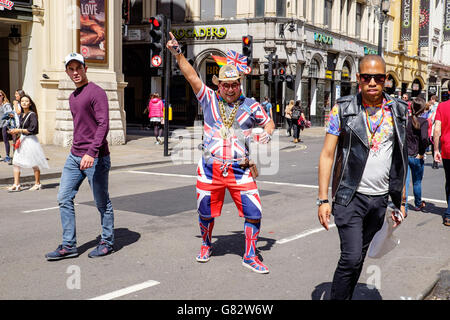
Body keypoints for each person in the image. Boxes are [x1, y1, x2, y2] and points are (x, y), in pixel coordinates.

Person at [167, 33, 275, 274]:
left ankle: (249, 255)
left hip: (240, 168)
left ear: (240, 83)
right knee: (205, 211)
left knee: (254, 211)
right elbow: (192, 75)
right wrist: (177, 53)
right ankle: (206, 244)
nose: (229, 88)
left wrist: (266, 133)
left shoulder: (252, 105)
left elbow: (269, 124)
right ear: (218, 84)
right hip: (210, 167)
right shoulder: (208, 99)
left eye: (234, 84)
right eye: (225, 84)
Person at [318, 55, 408, 300]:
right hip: (350, 197)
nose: (372, 82)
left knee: (359, 256)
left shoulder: (399, 111)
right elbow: (327, 155)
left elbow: (401, 159)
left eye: (378, 77)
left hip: (379, 201)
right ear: (358, 78)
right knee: (351, 256)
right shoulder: (343, 109)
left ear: (385, 80)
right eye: (366, 77)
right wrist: (323, 199)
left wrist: (400, 200)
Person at [45, 53, 115, 260]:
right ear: (67, 71)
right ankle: (69, 245)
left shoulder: (97, 92)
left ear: (85, 68)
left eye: (78, 68)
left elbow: (104, 125)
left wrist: (91, 152)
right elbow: (81, 127)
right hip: (75, 157)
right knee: (64, 197)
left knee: (102, 202)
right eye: (71, 69)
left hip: (96, 158)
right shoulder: (72, 96)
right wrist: (77, 151)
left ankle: (107, 242)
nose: (75, 72)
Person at [7, 95, 49, 192]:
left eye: (26, 101)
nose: (24, 103)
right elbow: (21, 128)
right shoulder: (21, 115)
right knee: (16, 161)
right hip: (22, 139)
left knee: (34, 161)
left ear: (30, 103)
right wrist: (15, 131)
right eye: (22, 101)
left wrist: (19, 130)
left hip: (30, 140)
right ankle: (16, 184)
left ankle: (37, 183)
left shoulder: (32, 114)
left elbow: (33, 129)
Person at [404, 97, 429, 212]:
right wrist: (422, 152)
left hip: (406, 154)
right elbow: (424, 139)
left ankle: (403, 206)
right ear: (423, 109)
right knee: (417, 182)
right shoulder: (423, 122)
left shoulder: (406, 120)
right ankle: (418, 204)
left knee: (405, 181)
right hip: (416, 156)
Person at [433, 87, 450, 227]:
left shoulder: (442, 106)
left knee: (449, 181)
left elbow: (437, 129)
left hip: (446, 148)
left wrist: (436, 150)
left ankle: (449, 214)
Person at [0, 89, 14, 164]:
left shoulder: (6, 104)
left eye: (0, 95)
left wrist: (7, 123)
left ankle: (7, 156)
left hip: (4, 124)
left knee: (5, 139)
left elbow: (10, 114)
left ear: (3, 96)